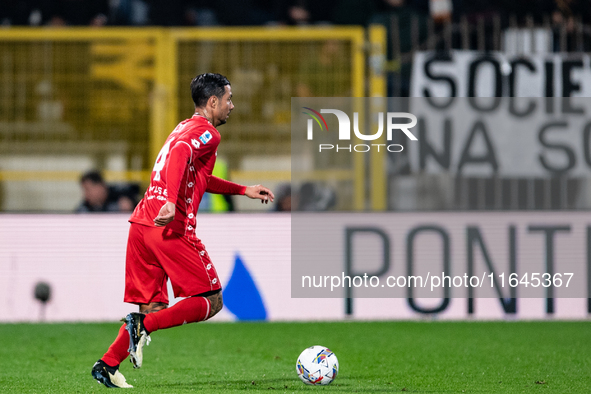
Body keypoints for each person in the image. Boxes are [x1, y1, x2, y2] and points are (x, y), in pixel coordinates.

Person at [91, 73, 274, 388]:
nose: (232, 105)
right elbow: (179, 156)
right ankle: (142, 325)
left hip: (142, 223)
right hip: (169, 227)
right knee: (211, 300)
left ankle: (106, 364)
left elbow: (200, 176)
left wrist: (243, 190)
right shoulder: (208, 134)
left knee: (154, 306)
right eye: (228, 99)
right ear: (213, 102)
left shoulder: (183, 127)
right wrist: (172, 203)